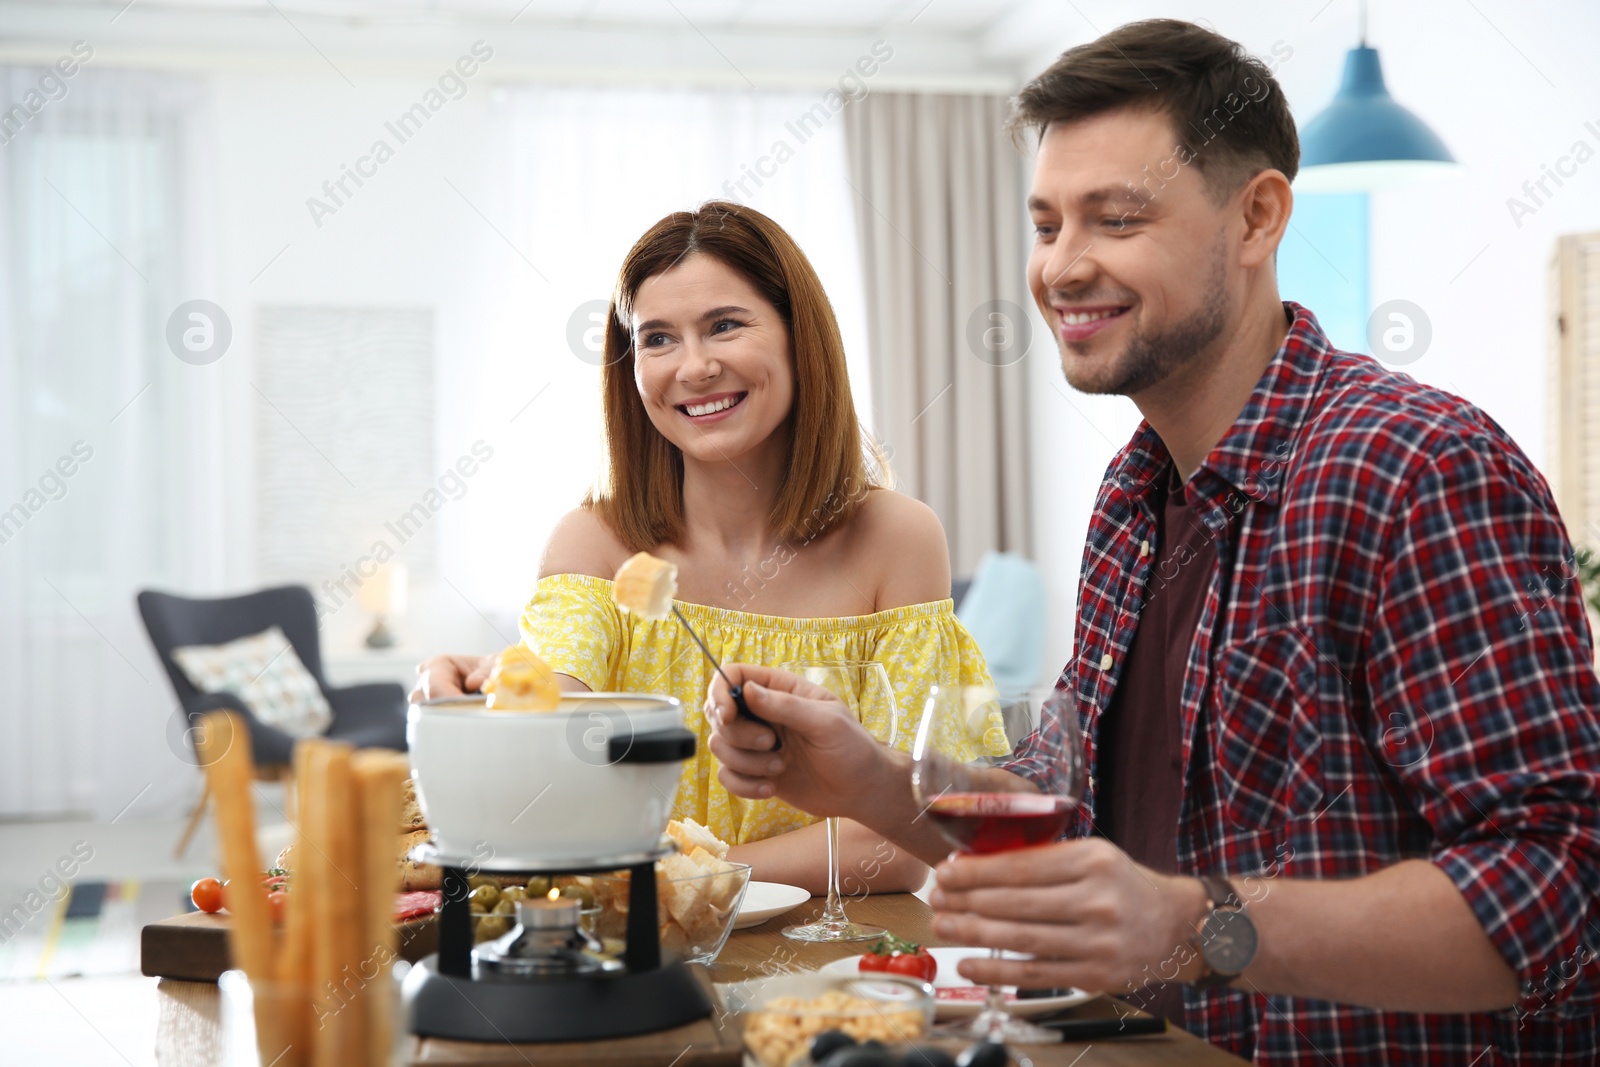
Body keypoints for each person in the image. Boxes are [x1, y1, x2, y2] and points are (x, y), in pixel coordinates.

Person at [707, 19, 1600, 1066]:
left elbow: (1557, 884)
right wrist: (867, 779)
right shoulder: (1133, 497)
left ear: (1256, 215)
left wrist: (1188, 922)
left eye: (1116, 219)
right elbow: (1061, 813)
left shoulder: (1414, 467)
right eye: (1044, 226)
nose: (1062, 267)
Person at [413, 201, 999, 895]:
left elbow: (900, 842)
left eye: (724, 325)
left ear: (797, 336)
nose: (693, 367)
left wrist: (683, 879)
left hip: (836, 961)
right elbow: (551, 745)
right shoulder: (594, 543)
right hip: (639, 952)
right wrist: (492, 687)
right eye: (658, 339)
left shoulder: (897, 539)